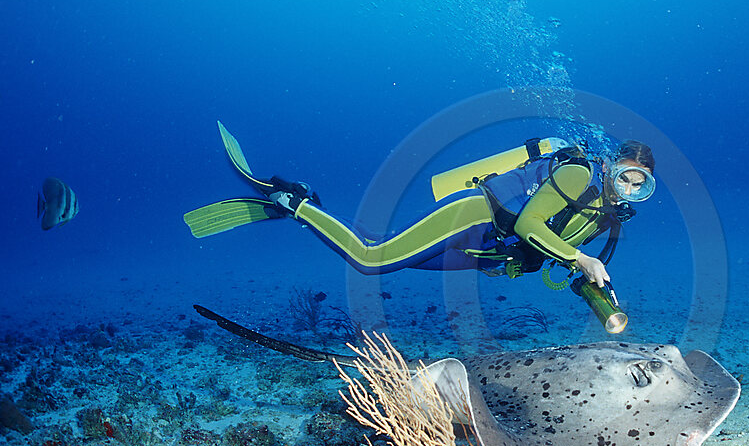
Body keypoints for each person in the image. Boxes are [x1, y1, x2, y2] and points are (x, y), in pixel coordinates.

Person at [184, 123, 656, 290]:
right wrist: (580, 258)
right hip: (472, 217)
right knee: (371, 261)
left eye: (641, 184)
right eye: (626, 175)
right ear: (611, 165)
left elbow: (551, 238)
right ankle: (294, 201)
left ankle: (309, 210)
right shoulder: (579, 175)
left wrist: (576, 266)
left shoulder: (608, 214)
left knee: (380, 253)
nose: (630, 187)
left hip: (486, 252)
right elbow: (532, 220)